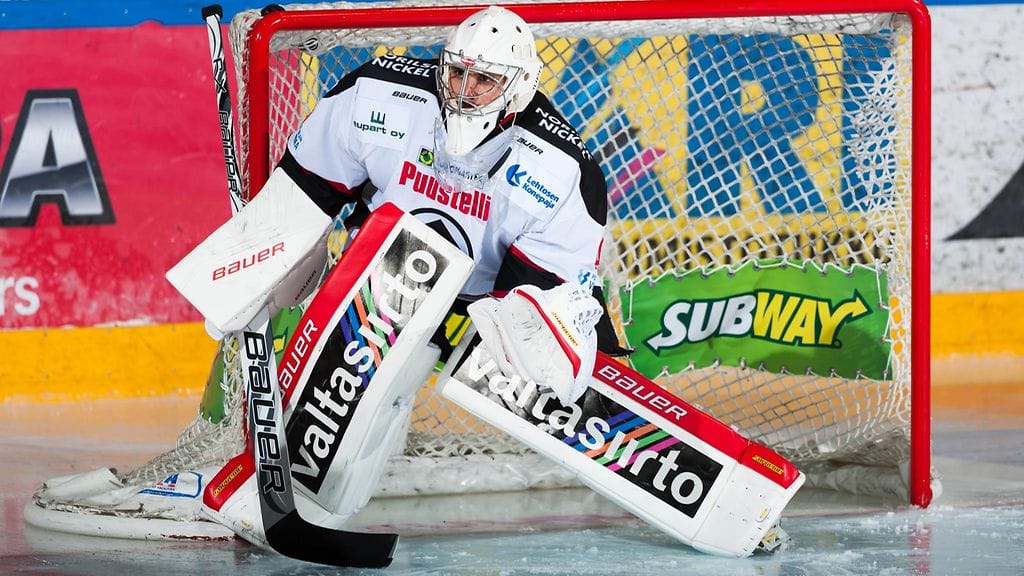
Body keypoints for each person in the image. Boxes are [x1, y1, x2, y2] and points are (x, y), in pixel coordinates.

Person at [277, 4, 628, 360]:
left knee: (548, 367)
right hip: (378, 275)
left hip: (484, 305)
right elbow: (303, 189)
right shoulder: (376, 91)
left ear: (519, 86)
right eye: (458, 72)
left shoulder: (561, 168)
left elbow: (542, 299)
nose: (464, 91)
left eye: (485, 79)